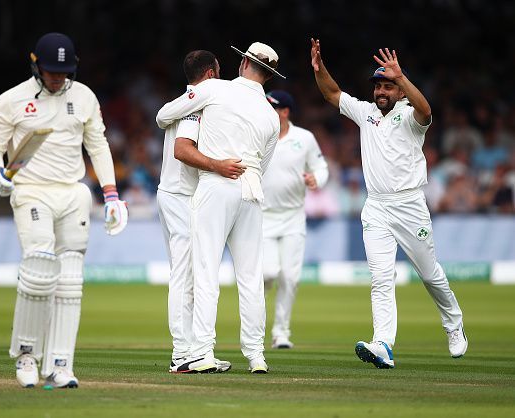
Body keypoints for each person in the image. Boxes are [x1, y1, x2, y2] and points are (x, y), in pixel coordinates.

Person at [310, 38, 467, 368]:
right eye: (378, 86)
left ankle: (453, 325)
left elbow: (427, 111)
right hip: (377, 206)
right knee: (381, 278)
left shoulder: (410, 116)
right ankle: (383, 344)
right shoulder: (366, 113)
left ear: (400, 92)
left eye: (388, 87)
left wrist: (402, 77)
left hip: (409, 205)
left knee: (429, 274)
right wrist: (319, 68)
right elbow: (332, 94)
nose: (381, 92)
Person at [0, 33, 128, 388]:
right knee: (38, 266)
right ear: (36, 65)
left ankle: (61, 363)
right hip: (31, 190)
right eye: (50, 71)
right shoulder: (10, 101)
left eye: (63, 72)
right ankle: (28, 357)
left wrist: (111, 195)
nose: (57, 78)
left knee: (70, 280)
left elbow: (98, 145)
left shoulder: (84, 97)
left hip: (73, 192)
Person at [156, 42, 283, 373]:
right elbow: (264, 164)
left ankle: (202, 351)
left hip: (215, 186)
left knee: (205, 271)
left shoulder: (214, 89)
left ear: (243, 63)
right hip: (251, 188)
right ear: (269, 76)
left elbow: (163, 116)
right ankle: (256, 355)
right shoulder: (271, 114)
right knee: (251, 276)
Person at [157, 50, 241, 373]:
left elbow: (162, 115)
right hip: (180, 195)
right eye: (218, 72)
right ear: (210, 74)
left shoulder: (189, 102)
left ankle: (192, 351)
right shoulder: (196, 106)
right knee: (185, 275)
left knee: (190, 274)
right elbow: (177, 141)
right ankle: (182, 354)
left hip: (176, 194)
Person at [262, 90, 329, 349]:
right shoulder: (257, 136)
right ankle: (257, 309)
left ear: (285, 112)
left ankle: (281, 332)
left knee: (290, 277)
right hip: (262, 217)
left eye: (272, 108)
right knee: (268, 273)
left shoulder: (304, 138)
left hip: (293, 217)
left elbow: (320, 167)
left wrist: (316, 179)